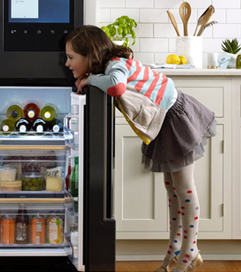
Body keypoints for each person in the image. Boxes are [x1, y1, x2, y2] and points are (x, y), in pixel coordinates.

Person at [65, 25, 217, 272]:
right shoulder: (111, 66)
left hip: (176, 119)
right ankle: (175, 250)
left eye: (71, 57)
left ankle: (190, 252)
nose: (67, 63)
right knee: (173, 191)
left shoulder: (116, 65)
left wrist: (89, 78)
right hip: (164, 122)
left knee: (184, 189)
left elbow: (117, 87)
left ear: (90, 55)